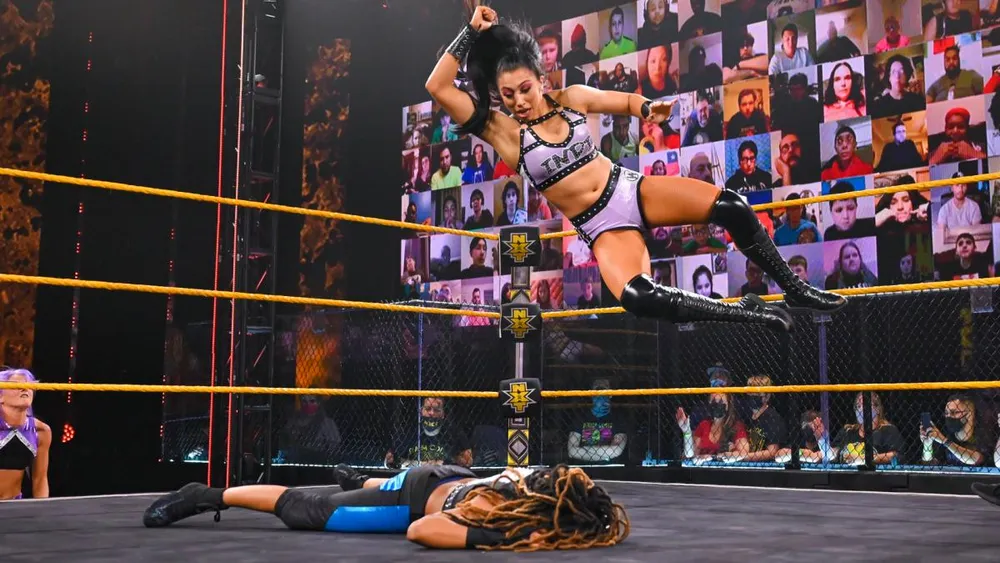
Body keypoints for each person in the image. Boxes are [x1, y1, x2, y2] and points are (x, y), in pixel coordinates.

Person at [426, 7, 846, 334]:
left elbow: (625, 101)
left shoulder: (571, 98)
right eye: (507, 95)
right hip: (600, 225)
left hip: (629, 189)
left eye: (524, 89)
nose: (518, 101)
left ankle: (797, 289)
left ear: (540, 78)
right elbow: (437, 86)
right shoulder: (504, 132)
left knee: (732, 206)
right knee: (638, 296)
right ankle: (748, 313)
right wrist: (472, 32)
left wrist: (648, 109)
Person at [143, 463, 630, 552]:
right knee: (308, 511)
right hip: (410, 498)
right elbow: (422, 531)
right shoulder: (498, 508)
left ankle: (361, 481)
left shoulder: (534, 486)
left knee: (368, 491)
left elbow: (586, 498)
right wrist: (497, 537)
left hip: (443, 475)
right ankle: (202, 495)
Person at [0, 368, 51, 500]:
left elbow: (40, 479)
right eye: (16, 385)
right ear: (1, 396)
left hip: (14, 505)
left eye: (28, 385)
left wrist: (43, 510)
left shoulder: (41, 431)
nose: (24, 388)